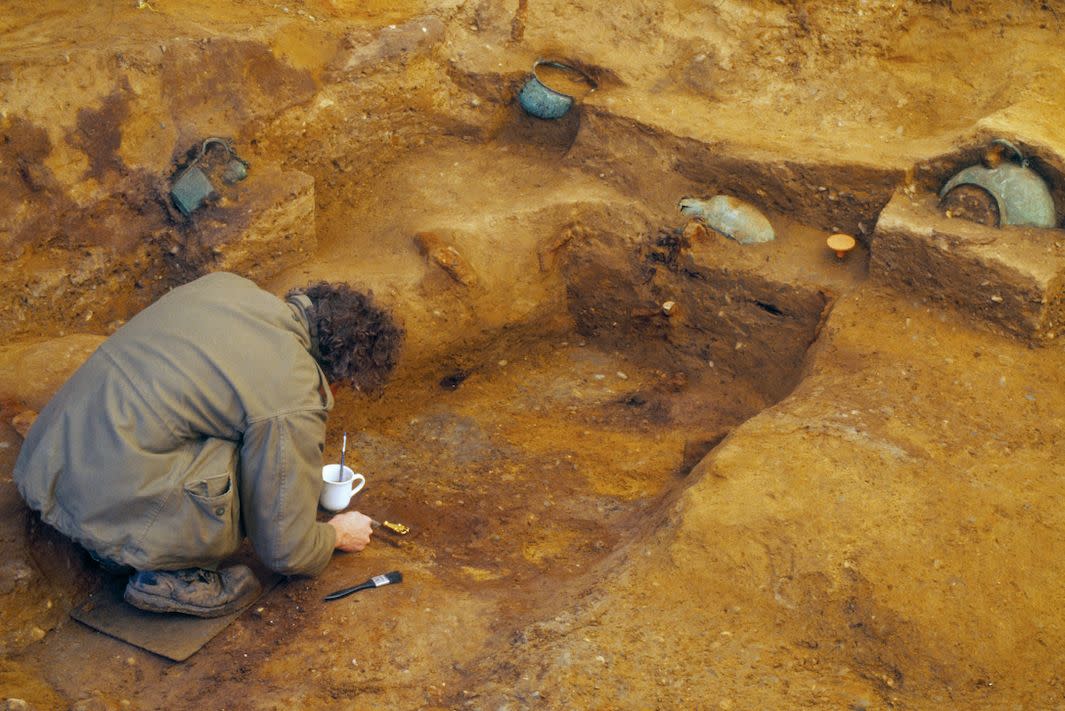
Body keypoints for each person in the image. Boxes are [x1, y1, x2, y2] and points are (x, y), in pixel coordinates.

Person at [13, 271, 402, 617]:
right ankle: (168, 575)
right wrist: (335, 534)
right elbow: (286, 550)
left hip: (47, 459)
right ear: (343, 375)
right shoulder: (294, 388)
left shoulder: (227, 286)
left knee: (236, 434)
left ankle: (114, 532)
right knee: (248, 477)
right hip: (100, 493)